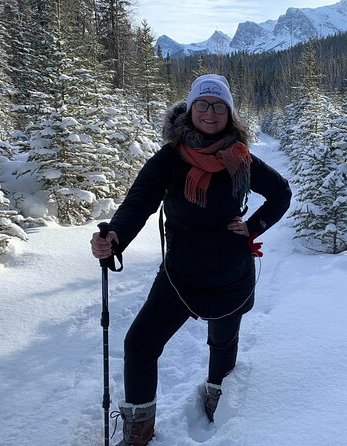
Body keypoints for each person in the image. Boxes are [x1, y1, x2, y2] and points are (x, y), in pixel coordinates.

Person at [90, 73, 291, 446]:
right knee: (140, 345)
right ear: (190, 108)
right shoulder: (170, 159)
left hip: (231, 272)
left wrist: (252, 227)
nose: (210, 113)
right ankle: (140, 427)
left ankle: (218, 396)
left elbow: (280, 193)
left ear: (229, 113)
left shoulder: (241, 160)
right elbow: (139, 201)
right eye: (203, 104)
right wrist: (115, 236)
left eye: (219, 106)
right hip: (180, 275)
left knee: (222, 343)